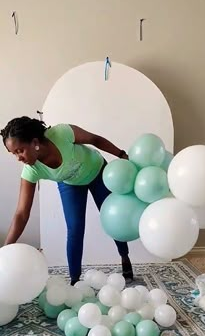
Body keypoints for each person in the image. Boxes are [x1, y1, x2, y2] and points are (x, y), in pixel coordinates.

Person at [0, 117, 133, 285]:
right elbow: (21, 213)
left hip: (97, 171)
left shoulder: (61, 133)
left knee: (112, 220)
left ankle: (124, 256)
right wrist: (5, 250)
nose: (18, 158)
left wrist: (122, 155)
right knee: (75, 228)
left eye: (20, 151)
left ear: (34, 142)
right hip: (70, 183)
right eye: (14, 154)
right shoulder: (31, 170)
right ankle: (75, 280)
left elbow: (95, 139)